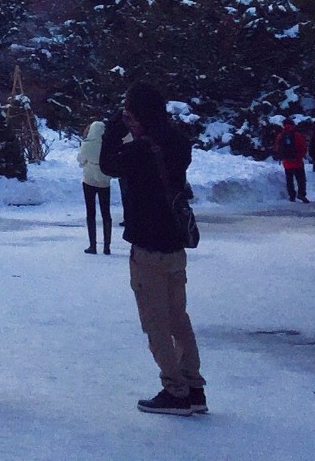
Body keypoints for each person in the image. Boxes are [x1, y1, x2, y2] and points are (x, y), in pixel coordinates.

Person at [99, 81, 206, 417]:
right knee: (179, 317)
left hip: (148, 246)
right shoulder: (177, 143)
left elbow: (106, 165)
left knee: (155, 321)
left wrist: (114, 129)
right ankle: (193, 386)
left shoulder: (138, 153)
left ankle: (174, 389)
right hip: (175, 243)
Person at [78, 118, 114, 254]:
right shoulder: (107, 145)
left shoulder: (86, 145)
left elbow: (81, 161)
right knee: (106, 213)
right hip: (104, 181)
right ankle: (107, 246)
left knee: (90, 213)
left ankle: (92, 245)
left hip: (89, 181)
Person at [273, 116, 309, 203]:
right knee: (301, 179)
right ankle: (301, 194)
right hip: (297, 161)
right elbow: (303, 146)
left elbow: (277, 147)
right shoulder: (297, 135)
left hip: (287, 162)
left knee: (289, 180)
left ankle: (292, 195)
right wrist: (300, 155)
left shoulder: (280, 136)